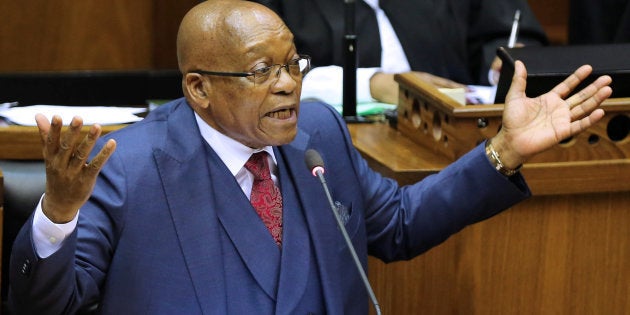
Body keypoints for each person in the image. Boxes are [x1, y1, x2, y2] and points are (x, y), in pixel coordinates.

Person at [8, 0, 611, 314]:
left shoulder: (315, 135)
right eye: (261, 71)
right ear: (198, 89)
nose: (288, 84)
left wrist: (504, 150)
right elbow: (48, 305)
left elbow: (399, 224)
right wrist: (58, 213)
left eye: (292, 63)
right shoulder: (129, 165)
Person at [253, 0, 548, 104]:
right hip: (327, 150)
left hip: (455, 136)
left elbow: (502, 34)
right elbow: (256, 74)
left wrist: (502, 64)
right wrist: (373, 85)